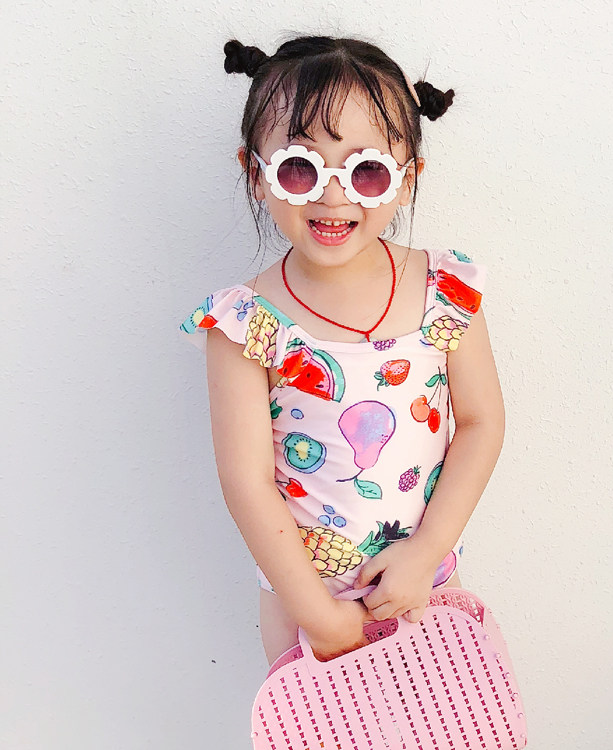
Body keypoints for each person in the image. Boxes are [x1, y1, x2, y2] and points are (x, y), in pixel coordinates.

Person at [179, 35, 505, 667]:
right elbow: (246, 481)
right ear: (255, 173)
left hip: (424, 586)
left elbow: (482, 422)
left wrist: (425, 553)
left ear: (408, 179)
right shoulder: (244, 324)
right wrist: (319, 614)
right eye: (300, 168)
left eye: (366, 171)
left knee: (437, 716)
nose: (334, 197)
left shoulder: (446, 290)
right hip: (305, 607)